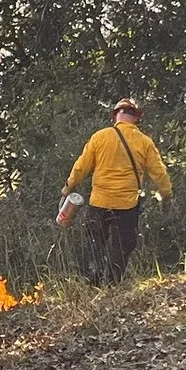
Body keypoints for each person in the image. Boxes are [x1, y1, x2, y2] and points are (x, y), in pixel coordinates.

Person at [64, 99, 173, 286]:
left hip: (99, 202)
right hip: (127, 205)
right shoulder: (144, 142)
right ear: (137, 118)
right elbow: (159, 173)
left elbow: (81, 167)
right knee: (123, 246)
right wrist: (167, 195)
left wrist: (68, 187)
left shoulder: (100, 137)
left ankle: (94, 284)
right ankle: (113, 284)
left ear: (115, 116)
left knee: (94, 245)